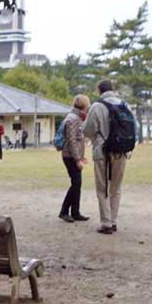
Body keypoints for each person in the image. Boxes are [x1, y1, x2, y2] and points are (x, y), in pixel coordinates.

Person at [83, 79, 129, 235]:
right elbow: (133, 127)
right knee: (116, 188)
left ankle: (106, 223)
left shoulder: (96, 106)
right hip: (121, 151)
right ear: (113, 89)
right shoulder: (124, 105)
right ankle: (113, 220)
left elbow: (87, 130)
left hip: (101, 151)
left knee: (102, 188)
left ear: (99, 90)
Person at [59, 95, 91, 223]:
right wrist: (78, 159)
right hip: (70, 156)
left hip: (74, 155)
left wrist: (81, 157)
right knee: (76, 183)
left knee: (77, 184)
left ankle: (75, 212)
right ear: (84, 105)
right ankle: (64, 211)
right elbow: (71, 141)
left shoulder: (77, 118)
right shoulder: (72, 119)